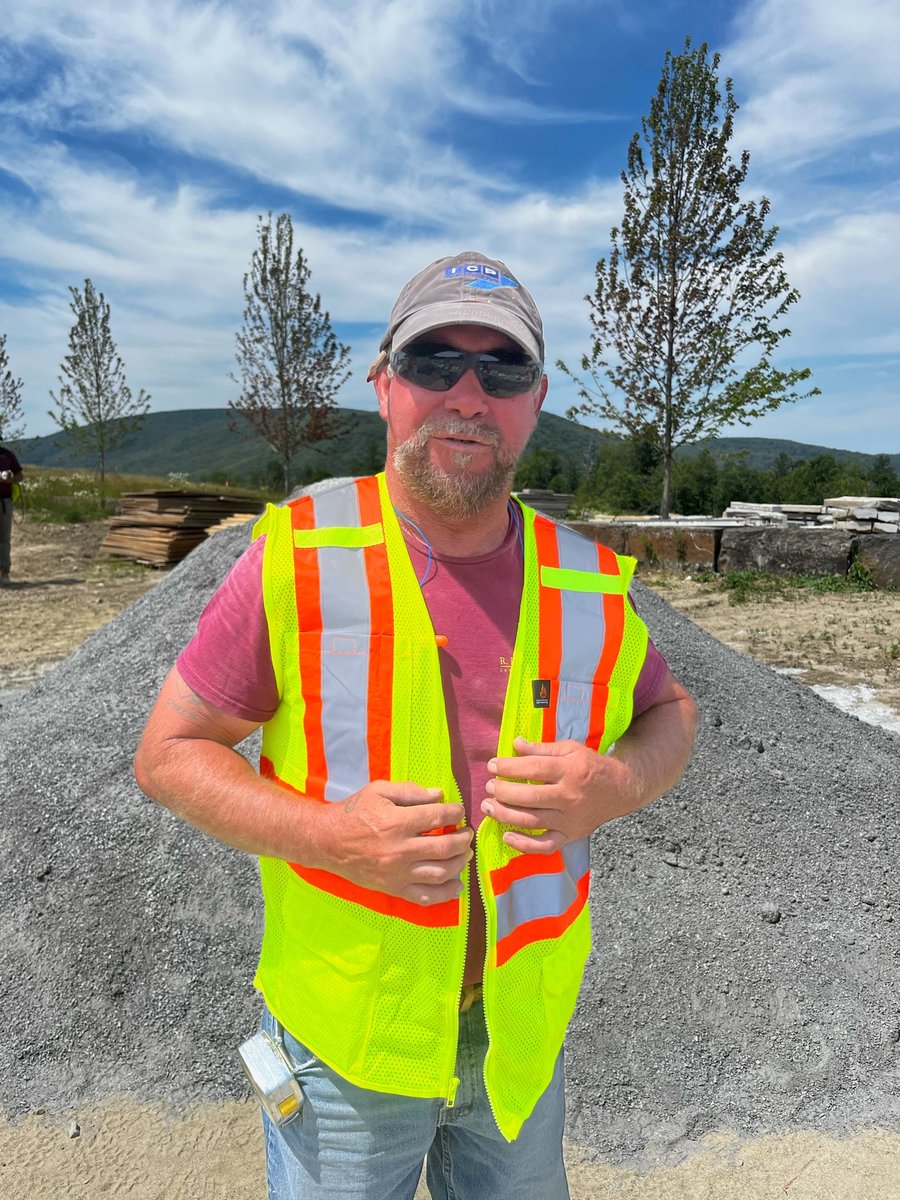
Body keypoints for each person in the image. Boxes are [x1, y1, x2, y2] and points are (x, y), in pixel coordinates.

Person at [135, 250, 697, 1199]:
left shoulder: (588, 583)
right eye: (435, 361)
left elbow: (671, 713)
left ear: (536, 399)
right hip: (348, 1047)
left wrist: (619, 783)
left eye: (503, 370)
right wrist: (331, 837)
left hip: (517, 1037)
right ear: (385, 385)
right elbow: (168, 754)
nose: (468, 394)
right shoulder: (301, 556)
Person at [0, 441, 23, 586]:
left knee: (4, 538)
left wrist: (11, 479)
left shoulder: (7, 455)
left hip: (4, 502)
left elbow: (20, 475)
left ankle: (4, 572)